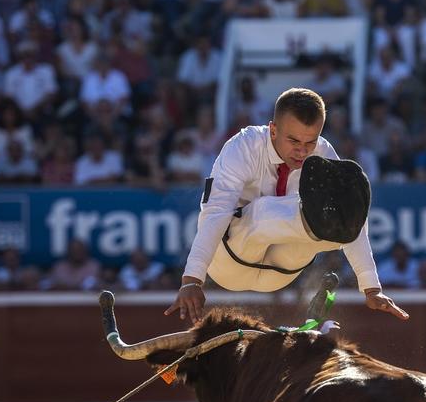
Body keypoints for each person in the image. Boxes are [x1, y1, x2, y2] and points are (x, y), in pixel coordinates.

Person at [165, 88, 408, 325]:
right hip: (229, 261)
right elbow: (216, 211)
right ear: (273, 130)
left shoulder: (323, 153)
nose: (302, 151)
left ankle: (313, 222)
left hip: (281, 273)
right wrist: (192, 280)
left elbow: (352, 223)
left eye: (310, 142)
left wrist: (371, 287)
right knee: (264, 210)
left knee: (339, 213)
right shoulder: (243, 146)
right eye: (293, 140)